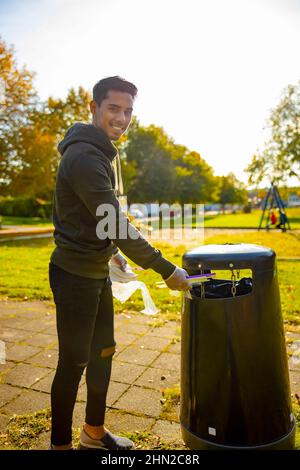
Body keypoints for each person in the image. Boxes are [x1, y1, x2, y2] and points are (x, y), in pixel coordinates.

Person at [48, 76, 190, 451]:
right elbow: (114, 222)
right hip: (74, 276)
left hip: (96, 272)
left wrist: (111, 253)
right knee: (73, 363)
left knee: (104, 352)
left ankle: (93, 434)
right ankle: (59, 445)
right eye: (114, 108)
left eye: (128, 111)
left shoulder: (101, 152)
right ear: (93, 108)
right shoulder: (83, 157)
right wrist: (167, 270)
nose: (122, 118)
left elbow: (93, 219)